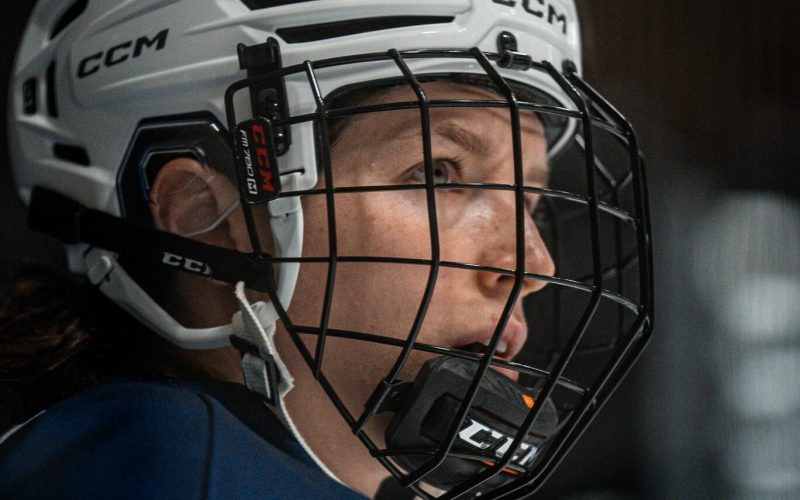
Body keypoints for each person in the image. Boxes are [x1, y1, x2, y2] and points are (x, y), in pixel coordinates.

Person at [1, 0, 653, 498]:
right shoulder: (172, 465)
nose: (530, 266)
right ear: (204, 217)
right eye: (437, 174)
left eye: (530, 200)